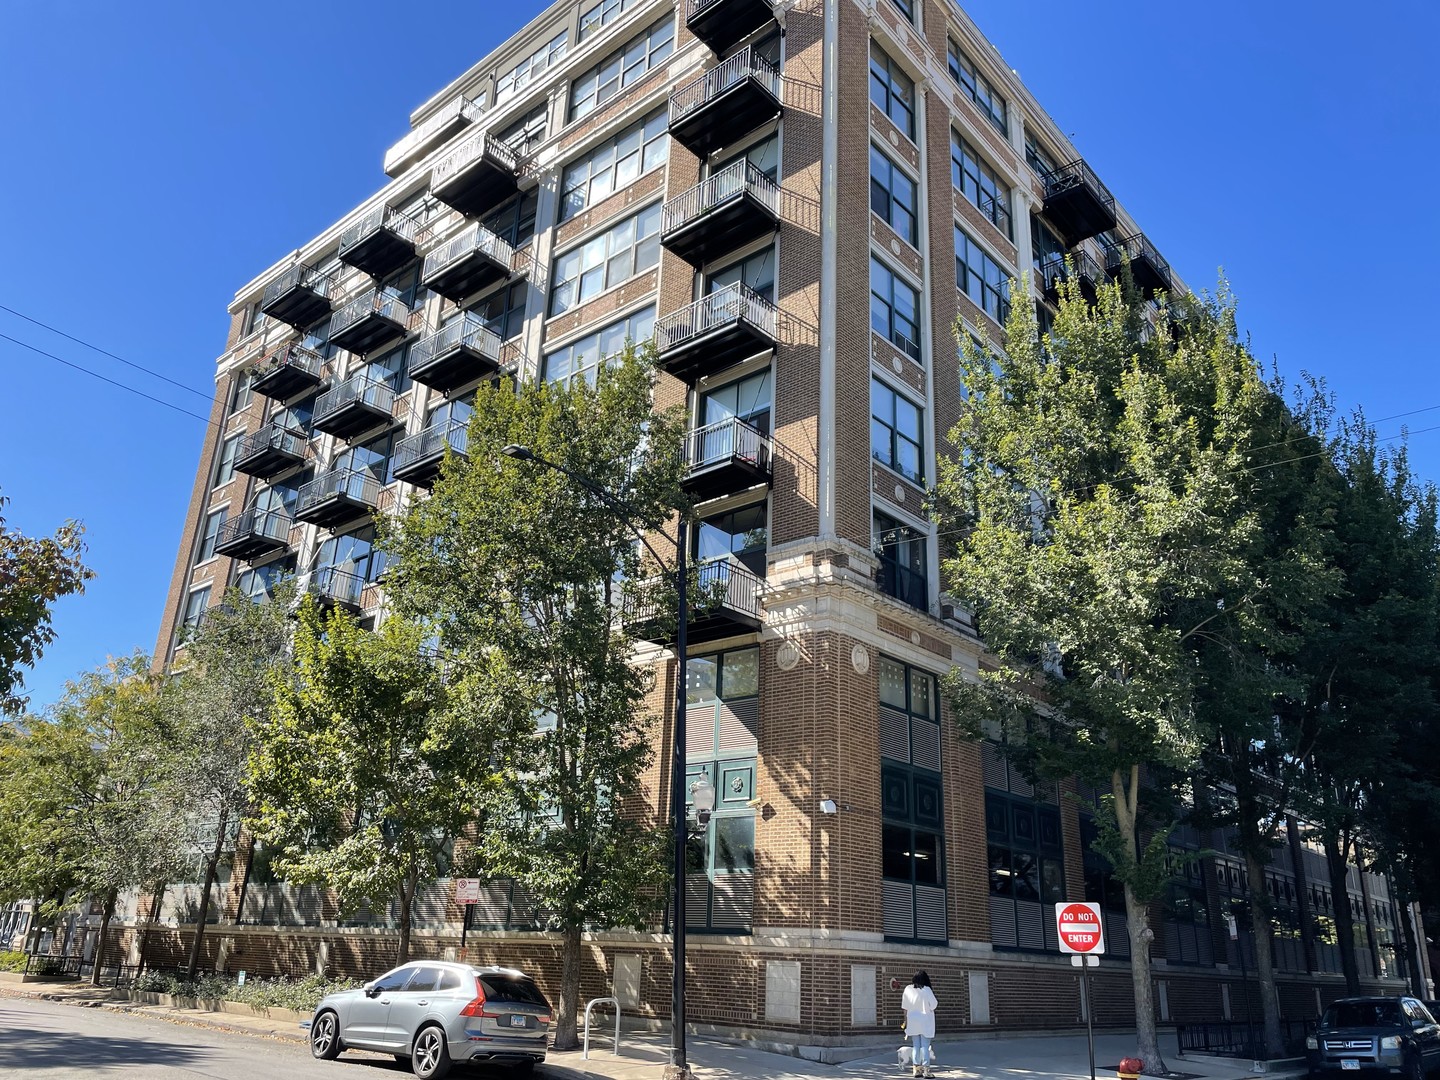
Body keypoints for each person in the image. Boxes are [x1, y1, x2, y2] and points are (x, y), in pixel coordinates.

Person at [902, 970, 938, 1077]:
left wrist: (905, 1021)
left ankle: (916, 1069)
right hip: (925, 1022)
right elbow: (934, 1005)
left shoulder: (908, 989)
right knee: (925, 1046)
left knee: (916, 1046)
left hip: (913, 1021)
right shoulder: (927, 990)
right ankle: (926, 1070)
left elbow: (905, 1007)